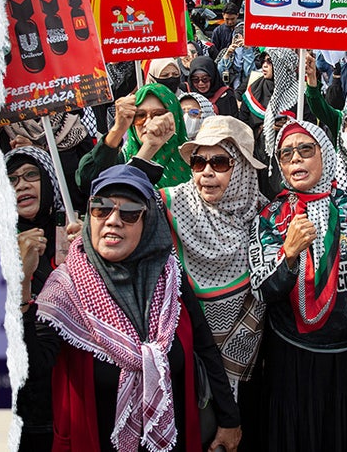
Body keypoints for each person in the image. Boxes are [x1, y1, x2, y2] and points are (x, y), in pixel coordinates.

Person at [28, 164, 241, 452]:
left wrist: (229, 418)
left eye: (129, 212)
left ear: (148, 222)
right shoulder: (65, 290)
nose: (113, 220)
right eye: (101, 208)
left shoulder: (170, 277)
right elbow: (32, 365)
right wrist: (19, 286)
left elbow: (204, 346)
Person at [248, 119, 347, 451]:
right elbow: (261, 290)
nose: (296, 160)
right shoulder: (271, 216)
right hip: (295, 361)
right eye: (286, 154)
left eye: (306, 150)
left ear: (326, 154)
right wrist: (288, 255)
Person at [151, 115, 267, 394]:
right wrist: (150, 147)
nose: (206, 172)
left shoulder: (267, 215)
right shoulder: (173, 202)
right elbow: (124, 195)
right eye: (198, 162)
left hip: (249, 365)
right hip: (187, 358)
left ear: (241, 169)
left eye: (219, 162)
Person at [11, 145, 69, 452]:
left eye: (31, 174)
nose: (21, 184)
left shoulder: (73, 240)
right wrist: (21, 276)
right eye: (12, 180)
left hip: (66, 410)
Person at [75, 83, 195, 192]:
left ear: (175, 117)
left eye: (158, 115)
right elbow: (89, 183)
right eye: (140, 116)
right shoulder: (122, 159)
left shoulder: (195, 161)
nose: (148, 122)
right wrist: (118, 129)